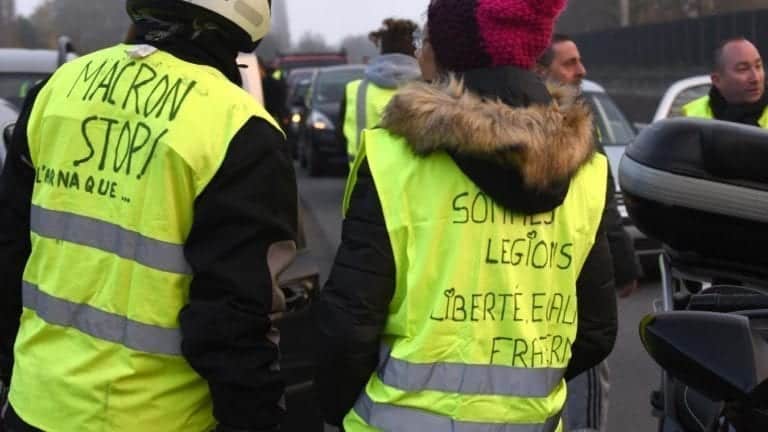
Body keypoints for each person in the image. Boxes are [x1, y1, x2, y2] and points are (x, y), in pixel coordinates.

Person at [314, 0, 618, 430]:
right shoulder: (586, 170)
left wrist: (335, 407)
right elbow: (595, 330)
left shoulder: (393, 159)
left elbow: (349, 324)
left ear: (449, 53)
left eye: (426, 39)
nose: (419, 51)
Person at [0, 1, 297, 431]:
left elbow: (10, 249)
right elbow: (233, 317)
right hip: (158, 418)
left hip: (36, 404)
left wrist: (16, 371)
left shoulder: (58, 88)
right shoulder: (238, 126)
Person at [537, 34, 641, 432]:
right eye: (569, 63)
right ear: (541, 70)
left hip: (539, 274)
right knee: (587, 381)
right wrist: (624, 263)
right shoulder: (569, 127)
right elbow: (599, 207)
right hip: (573, 275)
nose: (581, 70)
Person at [341, 18, 421, 166]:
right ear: (414, 51)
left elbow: (340, 139)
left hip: (364, 174)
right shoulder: (429, 91)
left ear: (382, 51)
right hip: (412, 177)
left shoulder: (353, 90)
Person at [683, 37, 767, 127]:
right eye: (743, 69)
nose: (755, 78)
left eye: (758, 66)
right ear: (717, 80)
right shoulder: (691, 117)